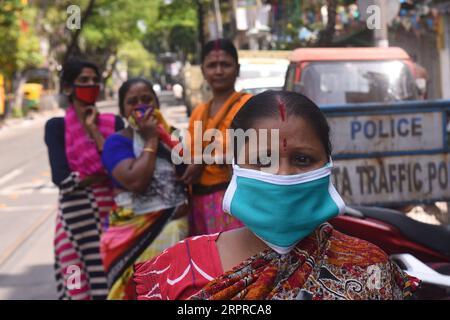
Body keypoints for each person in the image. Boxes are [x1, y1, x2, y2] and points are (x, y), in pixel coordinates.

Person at [133, 90, 420, 300]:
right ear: (235, 166)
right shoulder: (177, 268)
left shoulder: (370, 267)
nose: (283, 175)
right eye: (263, 160)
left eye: (303, 160)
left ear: (328, 165)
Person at [100, 78, 189, 299]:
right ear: (122, 110)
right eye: (132, 101)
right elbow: (136, 181)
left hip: (177, 235)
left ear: (157, 103)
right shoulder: (116, 143)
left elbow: (189, 175)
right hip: (134, 238)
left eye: (147, 99)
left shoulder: (174, 136)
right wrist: (151, 140)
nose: (140, 106)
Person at [44, 59, 124, 300]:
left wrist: (93, 131)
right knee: (75, 282)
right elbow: (63, 179)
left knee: (113, 284)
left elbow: (121, 173)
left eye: (94, 80)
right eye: (84, 81)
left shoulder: (114, 124)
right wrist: (103, 174)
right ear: (68, 88)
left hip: (112, 223)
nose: (91, 85)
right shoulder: (56, 127)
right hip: (73, 227)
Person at [179, 38, 252, 236]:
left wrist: (202, 160)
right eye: (212, 65)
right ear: (203, 71)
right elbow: (188, 152)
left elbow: (245, 150)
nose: (218, 71)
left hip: (234, 199)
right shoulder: (198, 112)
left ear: (237, 69)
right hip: (198, 202)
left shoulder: (249, 105)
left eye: (225, 65)